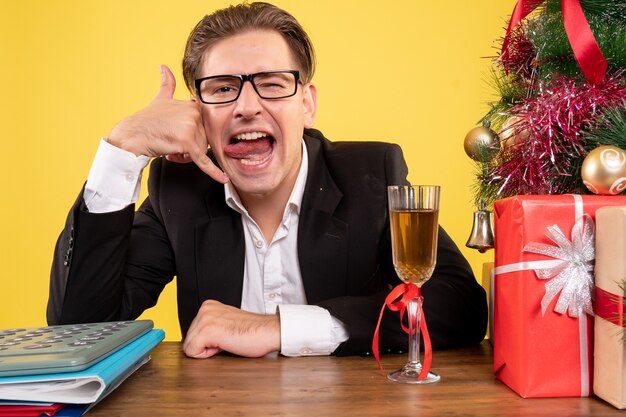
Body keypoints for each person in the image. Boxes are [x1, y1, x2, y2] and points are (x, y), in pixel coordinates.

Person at [47, 2, 487, 358]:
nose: (247, 106)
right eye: (221, 88)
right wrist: (123, 148)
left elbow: (460, 305)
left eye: (273, 84)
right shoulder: (177, 190)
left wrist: (283, 328)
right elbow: (81, 330)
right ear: (196, 112)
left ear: (307, 104)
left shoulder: (370, 175)